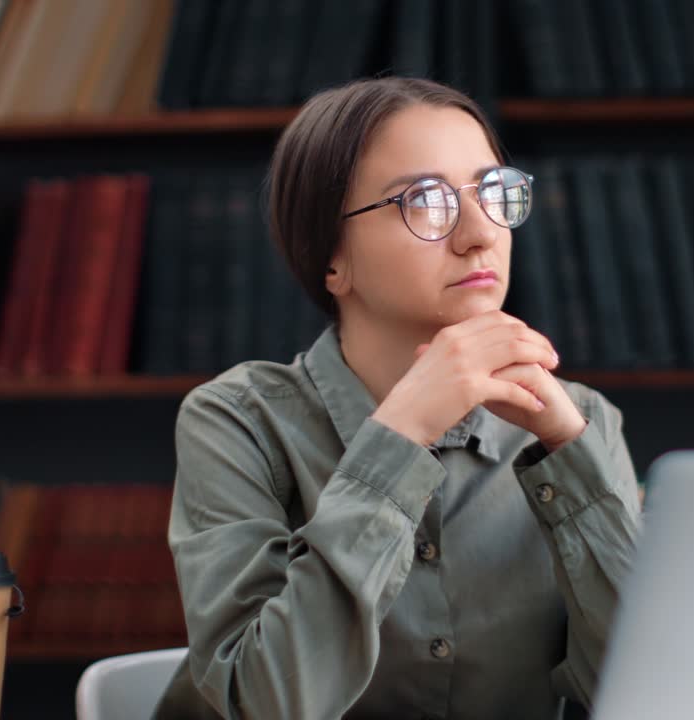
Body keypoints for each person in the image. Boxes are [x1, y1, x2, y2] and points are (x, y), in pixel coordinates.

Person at [155, 77, 642, 720]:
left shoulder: (582, 423)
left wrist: (575, 459)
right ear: (332, 259)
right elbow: (265, 702)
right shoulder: (237, 421)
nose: (479, 233)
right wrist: (399, 439)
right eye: (425, 201)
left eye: (492, 192)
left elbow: (644, 690)